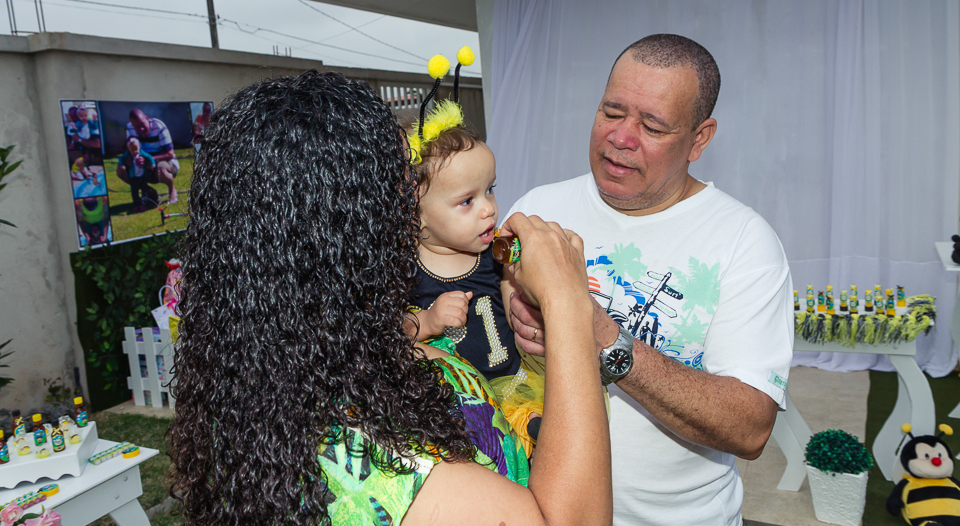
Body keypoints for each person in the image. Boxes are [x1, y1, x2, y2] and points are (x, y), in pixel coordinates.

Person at [168, 70, 612, 526]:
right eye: (399, 196)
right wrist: (567, 304)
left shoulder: (270, 382)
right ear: (345, 237)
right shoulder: (390, 468)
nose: (410, 214)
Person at [505, 34, 794, 526]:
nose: (621, 137)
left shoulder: (745, 242)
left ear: (699, 139)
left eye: (653, 125)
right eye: (611, 112)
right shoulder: (537, 209)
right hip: (534, 509)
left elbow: (750, 428)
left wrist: (598, 334)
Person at [403, 99, 543, 457]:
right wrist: (428, 321)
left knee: (535, 431)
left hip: (511, 388)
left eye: (490, 189)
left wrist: (526, 279)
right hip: (452, 401)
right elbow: (390, 334)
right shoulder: (404, 271)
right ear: (416, 217)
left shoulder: (497, 252)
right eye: (467, 200)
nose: (489, 208)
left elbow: (520, 300)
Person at [121, 108, 179, 203]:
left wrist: (150, 159)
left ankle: (172, 190)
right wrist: (129, 159)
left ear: (146, 118)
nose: (141, 129)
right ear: (132, 125)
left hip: (164, 162)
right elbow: (129, 150)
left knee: (161, 170)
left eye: (142, 124)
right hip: (143, 165)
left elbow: (170, 154)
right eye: (137, 127)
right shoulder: (130, 128)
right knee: (121, 169)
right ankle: (148, 191)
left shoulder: (159, 126)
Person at [118, 136, 158, 212]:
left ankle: (144, 203)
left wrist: (153, 164)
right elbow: (121, 158)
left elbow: (149, 157)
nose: (134, 152)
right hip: (133, 177)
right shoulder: (128, 155)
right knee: (134, 192)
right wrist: (122, 165)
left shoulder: (141, 153)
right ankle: (136, 204)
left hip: (142, 176)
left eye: (136, 149)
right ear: (129, 149)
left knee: (144, 191)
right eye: (132, 150)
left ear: (139, 147)